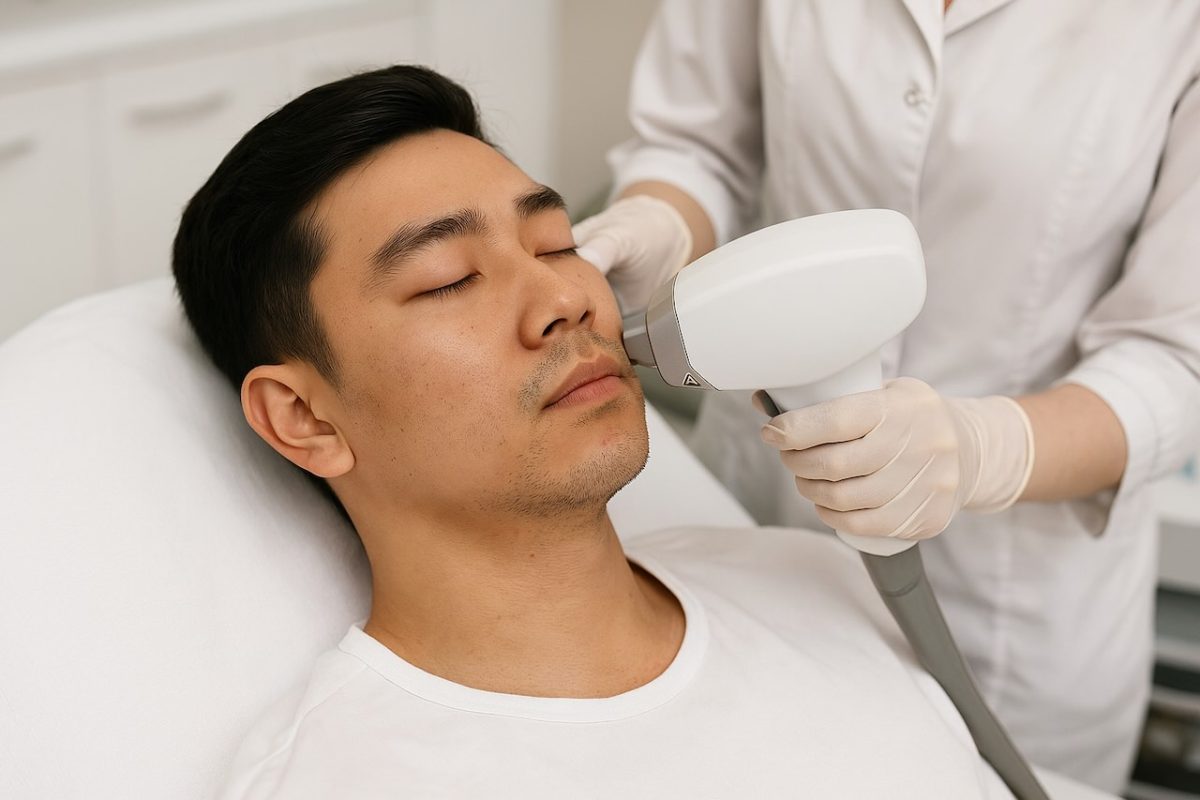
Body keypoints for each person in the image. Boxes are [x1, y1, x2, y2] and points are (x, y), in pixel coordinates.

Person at [173, 65, 1023, 799]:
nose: (567, 299)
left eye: (552, 243)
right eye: (449, 280)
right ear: (305, 417)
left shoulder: (810, 578)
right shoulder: (344, 778)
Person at [570, 1, 1200, 791]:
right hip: (756, 516)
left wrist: (986, 451)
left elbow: (1177, 357)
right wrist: (662, 219)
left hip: (1016, 611)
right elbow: (699, 144)